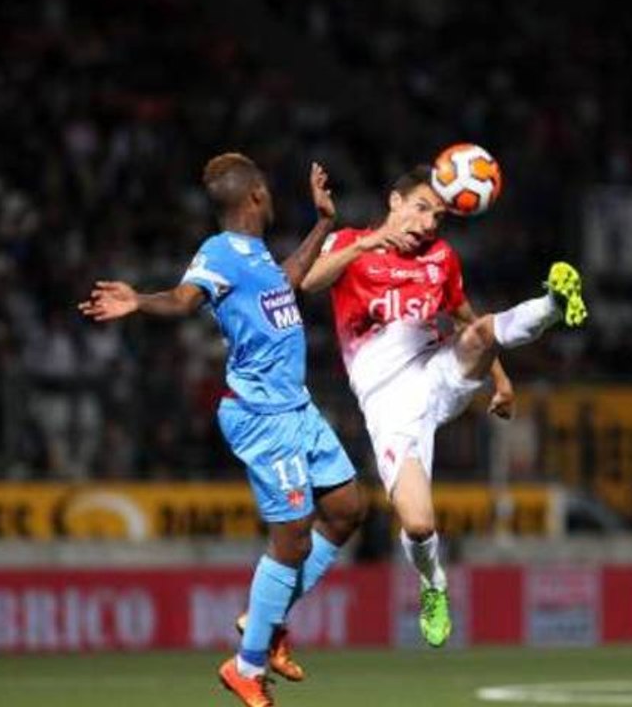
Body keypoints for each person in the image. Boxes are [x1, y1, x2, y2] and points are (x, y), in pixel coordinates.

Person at [79, 154, 362, 707]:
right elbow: (185, 300)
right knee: (294, 534)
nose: (274, 194)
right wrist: (140, 300)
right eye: (268, 188)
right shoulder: (217, 253)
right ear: (255, 195)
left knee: (350, 509)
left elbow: (288, 283)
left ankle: (265, 619)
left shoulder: (256, 257)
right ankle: (247, 665)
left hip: (296, 407)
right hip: (261, 415)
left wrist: (324, 223)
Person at [301, 164, 587, 646]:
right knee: (417, 523)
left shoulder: (441, 258)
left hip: (437, 373)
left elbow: (465, 316)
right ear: (395, 202)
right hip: (390, 405)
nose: (429, 223)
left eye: (438, 216)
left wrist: (500, 379)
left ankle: (553, 304)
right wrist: (362, 246)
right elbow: (308, 281)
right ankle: (434, 582)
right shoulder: (351, 243)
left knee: (479, 332)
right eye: (421, 209)